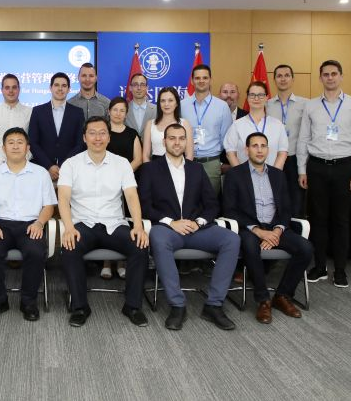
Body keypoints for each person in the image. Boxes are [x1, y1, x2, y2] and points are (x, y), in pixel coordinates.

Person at [139, 123, 240, 331]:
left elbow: (212, 204)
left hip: (196, 229)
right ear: (164, 141)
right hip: (167, 229)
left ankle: (214, 305)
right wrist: (171, 222)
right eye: (172, 138)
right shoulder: (150, 169)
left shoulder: (196, 169)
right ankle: (177, 305)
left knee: (231, 239)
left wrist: (198, 222)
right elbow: (145, 205)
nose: (177, 143)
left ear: (186, 142)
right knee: (158, 239)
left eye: (181, 138)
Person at [58, 116, 150, 328]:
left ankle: (133, 306)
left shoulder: (122, 164)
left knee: (140, 246)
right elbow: (63, 198)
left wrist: (138, 226)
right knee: (70, 247)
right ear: (84, 137)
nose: (97, 138)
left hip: (114, 224)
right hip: (83, 224)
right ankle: (80, 307)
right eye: (92, 133)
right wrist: (69, 228)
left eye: (102, 133)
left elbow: (131, 196)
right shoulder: (71, 164)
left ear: (109, 137)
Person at [222, 132, 313, 324]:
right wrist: (259, 231)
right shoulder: (234, 175)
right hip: (249, 228)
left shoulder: (278, 175)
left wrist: (277, 231)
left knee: (305, 248)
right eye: (255, 146)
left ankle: (282, 295)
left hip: (275, 228)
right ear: (247, 150)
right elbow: (229, 210)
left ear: (268, 150)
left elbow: (286, 209)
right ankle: (263, 300)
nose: (259, 150)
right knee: (250, 246)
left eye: (263, 146)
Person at [297, 60, 351, 288]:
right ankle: (319, 267)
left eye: (334, 74)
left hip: (343, 167)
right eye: (325, 74)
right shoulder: (311, 106)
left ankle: (340, 270)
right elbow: (303, 139)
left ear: (341, 76)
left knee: (341, 220)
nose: (330, 78)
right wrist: (302, 169)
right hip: (316, 167)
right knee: (317, 219)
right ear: (320, 78)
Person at [0, 128, 57, 321]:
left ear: (28, 148)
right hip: (1, 225)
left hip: (31, 224)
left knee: (35, 251)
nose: (15, 146)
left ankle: (28, 301)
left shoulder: (41, 174)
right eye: (11, 142)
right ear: (3, 148)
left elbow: (49, 206)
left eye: (20, 142)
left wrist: (39, 223)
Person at [101, 97, 143, 280]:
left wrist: (122, 176)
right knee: (106, 222)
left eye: (122, 110)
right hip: (103, 183)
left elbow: (138, 159)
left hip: (126, 184)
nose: (118, 113)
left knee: (123, 223)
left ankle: (121, 263)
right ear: (109, 111)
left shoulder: (132, 133)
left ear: (126, 114)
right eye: (115, 110)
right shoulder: (102, 132)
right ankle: (106, 263)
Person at [181, 65, 233, 195]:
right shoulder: (182, 105)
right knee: (188, 199)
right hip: (187, 162)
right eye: (197, 78)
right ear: (192, 81)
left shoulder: (222, 106)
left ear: (210, 80)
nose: (201, 81)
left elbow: (226, 137)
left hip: (211, 163)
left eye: (205, 78)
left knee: (211, 201)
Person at [266, 64, 308, 217]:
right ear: (274, 80)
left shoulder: (305, 104)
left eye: (287, 75)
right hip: (273, 159)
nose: (283, 79)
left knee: (296, 203)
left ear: (293, 79)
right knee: (274, 201)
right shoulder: (267, 105)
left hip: (295, 158)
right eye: (279, 76)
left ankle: (295, 229)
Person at [28, 72, 85, 180]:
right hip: (42, 169)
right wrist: (49, 166)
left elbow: (80, 143)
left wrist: (65, 165)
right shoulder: (38, 111)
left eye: (64, 86)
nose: (60, 89)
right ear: (50, 88)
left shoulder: (77, 113)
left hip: (70, 169)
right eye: (56, 85)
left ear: (69, 89)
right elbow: (33, 142)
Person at [224, 81, 288, 169]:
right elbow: (230, 153)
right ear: (247, 98)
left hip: (271, 174)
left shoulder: (277, 125)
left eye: (260, 95)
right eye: (252, 95)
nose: (256, 98)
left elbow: (282, 153)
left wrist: (274, 174)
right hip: (244, 176)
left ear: (267, 97)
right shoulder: (237, 125)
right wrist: (241, 174)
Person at [0, 74, 32, 166]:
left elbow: (34, 141)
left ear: (19, 89)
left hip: (25, 164)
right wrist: (1, 161)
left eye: (14, 87)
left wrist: (24, 160)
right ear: (2, 90)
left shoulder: (30, 112)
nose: (11, 91)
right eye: (7, 87)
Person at [142, 86, 194, 161]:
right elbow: (146, 155)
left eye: (170, 100)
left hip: (179, 165)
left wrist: (184, 168)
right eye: (163, 101)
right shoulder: (150, 124)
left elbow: (189, 154)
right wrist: (149, 168)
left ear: (176, 103)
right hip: (155, 165)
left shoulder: (185, 124)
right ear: (159, 104)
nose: (166, 104)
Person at [125, 73, 157, 138]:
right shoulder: (124, 109)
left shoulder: (157, 109)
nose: (139, 88)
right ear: (130, 88)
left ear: (147, 88)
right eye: (135, 84)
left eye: (142, 85)